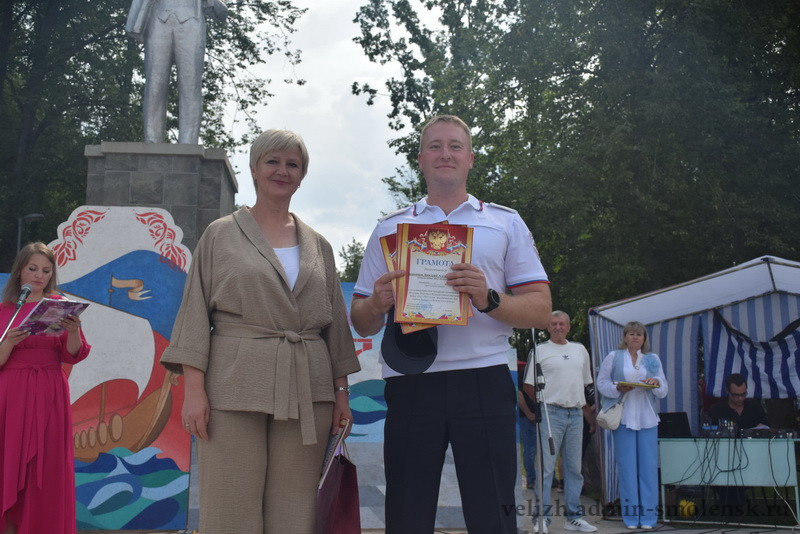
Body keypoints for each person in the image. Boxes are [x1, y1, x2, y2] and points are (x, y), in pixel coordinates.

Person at [351, 114, 552, 534]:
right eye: (436, 146)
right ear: (421, 159)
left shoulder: (504, 222)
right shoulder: (390, 228)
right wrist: (377, 303)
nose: (446, 154)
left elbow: (540, 310)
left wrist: (488, 299)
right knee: (407, 514)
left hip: (484, 376)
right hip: (411, 379)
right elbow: (361, 321)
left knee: (493, 513)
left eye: (455, 146)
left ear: (470, 158)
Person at [160, 129, 361, 533]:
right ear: (254, 169)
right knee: (230, 507)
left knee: (296, 511)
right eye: (272, 161)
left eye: (292, 164)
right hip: (233, 387)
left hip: (308, 390)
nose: (282, 171)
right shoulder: (220, 234)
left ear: (302, 175)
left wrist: (342, 394)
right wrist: (194, 392)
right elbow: (195, 313)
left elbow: (335, 327)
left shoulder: (319, 246)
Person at [0, 242, 91, 534]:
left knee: (47, 465)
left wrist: (74, 331)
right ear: (20, 271)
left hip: (50, 393)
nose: (39, 275)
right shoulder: (5, 310)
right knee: (9, 465)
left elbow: (73, 354)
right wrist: (9, 343)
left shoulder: (59, 306)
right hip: (11, 397)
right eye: (33, 268)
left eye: (46, 270)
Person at [523, 311, 598, 533]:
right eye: (554, 324)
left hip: (575, 413)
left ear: (568, 327)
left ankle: (573, 518)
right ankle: (541, 519)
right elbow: (528, 385)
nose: (558, 327)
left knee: (574, 468)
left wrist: (589, 417)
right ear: (548, 327)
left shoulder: (580, 350)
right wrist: (542, 405)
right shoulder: (539, 350)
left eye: (562, 324)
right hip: (551, 413)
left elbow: (584, 384)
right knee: (546, 468)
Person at [596, 321, 668, 530]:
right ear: (625, 337)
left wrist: (655, 383)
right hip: (624, 418)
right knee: (627, 468)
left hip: (647, 418)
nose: (635, 337)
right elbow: (602, 384)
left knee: (648, 469)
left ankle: (648, 517)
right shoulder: (614, 356)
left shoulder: (652, 359)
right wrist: (618, 387)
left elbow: (663, 390)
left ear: (644, 339)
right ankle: (630, 517)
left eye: (639, 334)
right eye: (631, 334)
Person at [126, 0, 228, 143]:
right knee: (154, 85)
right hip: (157, 20)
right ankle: (152, 141)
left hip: (192, 22)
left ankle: (188, 144)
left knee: (191, 86)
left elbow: (222, 11)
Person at [518, 358, 538, 490]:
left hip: (544, 417)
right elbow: (519, 393)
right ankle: (531, 479)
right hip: (528, 417)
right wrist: (529, 413)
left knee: (546, 451)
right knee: (531, 450)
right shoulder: (526, 372)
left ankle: (548, 479)